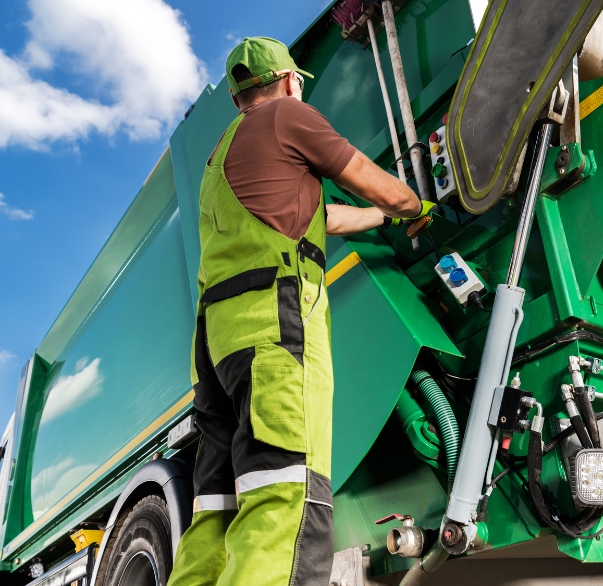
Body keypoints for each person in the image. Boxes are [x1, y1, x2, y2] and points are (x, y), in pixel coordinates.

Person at [167, 37, 434, 586]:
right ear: (289, 80)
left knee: (215, 513)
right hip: (276, 330)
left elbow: (323, 217)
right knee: (285, 498)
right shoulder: (289, 116)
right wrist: (413, 205)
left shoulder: (219, 158)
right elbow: (361, 174)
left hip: (217, 348)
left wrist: (378, 221)